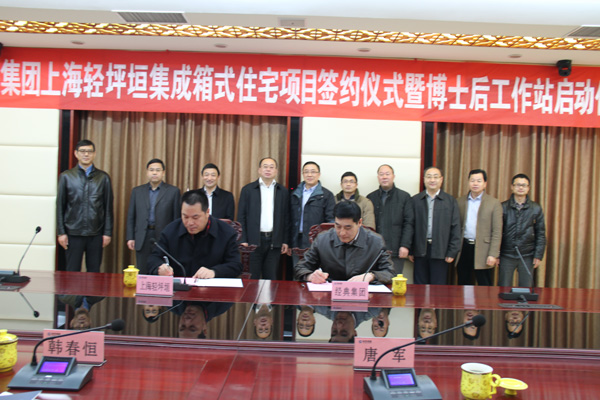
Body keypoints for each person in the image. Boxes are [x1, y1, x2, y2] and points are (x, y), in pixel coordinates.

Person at [147, 189, 242, 278]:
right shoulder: (171, 230)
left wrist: (214, 272)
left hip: (211, 287)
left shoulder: (226, 232)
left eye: (195, 218)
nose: (190, 223)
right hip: (179, 287)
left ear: (207, 212)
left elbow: (235, 265)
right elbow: (154, 258)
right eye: (185, 217)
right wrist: (159, 267)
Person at [294, 201, 394, 284]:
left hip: (365, 296)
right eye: (338, 226)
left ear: (359, 222)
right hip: (330, 295)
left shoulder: (375, 241)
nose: (342, 233)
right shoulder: (322, 239)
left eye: (348, 227)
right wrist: (310, 276)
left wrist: (371, 276)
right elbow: (300, 267)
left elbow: (390, 272)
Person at [56, 139, 114, 272]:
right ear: (76, 153)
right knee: (72, 271)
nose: (86, 154)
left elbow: (108, 208)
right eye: (82, 151)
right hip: (73, 233)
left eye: (89, 151)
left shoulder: (103, 178)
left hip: (96, 233)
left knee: (94, 272)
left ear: (94, 154)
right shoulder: (66, 177)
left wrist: (107, 233)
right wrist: (61, 233)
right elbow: (60, 207)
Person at [237, 157, 290, 279]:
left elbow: (287, 218)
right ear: (259, 170)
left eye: (271, 167)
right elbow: (241, 216)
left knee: (271, 278)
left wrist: (285, 241)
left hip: (274, 241)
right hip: (252, 241)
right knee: (252, 278)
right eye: (265, 167)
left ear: (276, 171)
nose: (268, 169)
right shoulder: (248, 190)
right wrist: (243, 239)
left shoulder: (282, 191)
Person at [126, 159, 181, 274]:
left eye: (158, 170)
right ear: (147, 172)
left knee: (162, 271)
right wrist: (130, 237)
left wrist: (175, 239)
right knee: (143, 270)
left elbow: (176, 218)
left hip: (164, 237)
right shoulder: (137, 191)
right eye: (151, 170)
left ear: (163, 172)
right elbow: (131, 216)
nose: (154, 173)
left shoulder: (173, 191)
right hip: (143, 236)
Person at [409, 167, 461, 285]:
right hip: (420, 249)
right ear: (424, 179)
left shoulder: (450, 201)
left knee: (438, 287)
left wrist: (452, 251)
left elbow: (456, 227)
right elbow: (410, 226)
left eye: (435, 177)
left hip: (441, 250)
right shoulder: (415, 200)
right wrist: (411, 249)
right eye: (429, 177)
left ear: (441, 179)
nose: (432, 180)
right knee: (420, 286)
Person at [456, 169, 503, 286]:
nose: (475, 183)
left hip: (484, 249)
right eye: (472, 180)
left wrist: (493, 254)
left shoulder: (494, 203)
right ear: (468, 182)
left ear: (485, 183)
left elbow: (497, 231)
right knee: (463, 283)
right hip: (464, 247)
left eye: (479, 181)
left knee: (484, 285)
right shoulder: (459, 201)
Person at [498, 174, 546, 287]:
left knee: (526, 288)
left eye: (524, 185)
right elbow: (496, 232)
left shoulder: (536, 208)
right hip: (506, 254)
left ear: (528, 188)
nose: (521, 187)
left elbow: (541, 233)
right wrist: (496, 254)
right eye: (518, 185)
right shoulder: (502, 207)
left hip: (527, 255)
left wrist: (538, 255)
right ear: (512, 187)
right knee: (503, 288)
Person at [367, 164, 414, 274]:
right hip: (375, 250)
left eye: (387, 174)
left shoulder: (404, 197)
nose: (384, 177)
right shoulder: (371, 197)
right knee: (375, 279)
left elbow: (409, 223)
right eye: (381, 174)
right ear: (378, 177)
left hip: (396, 249)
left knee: (394, 280)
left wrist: (405, 245)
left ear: (393, 176)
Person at [289, 161, 335, 255]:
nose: (309, 175)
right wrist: (289, 242)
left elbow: (330, 221)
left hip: (317, 241)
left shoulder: (327, 195)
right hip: (296, 241)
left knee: (315, 265)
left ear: (319, 174)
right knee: (298, 264)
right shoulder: (295, 194)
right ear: (303, 174)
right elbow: (288, 219)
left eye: (313, 172)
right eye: (306, 172)